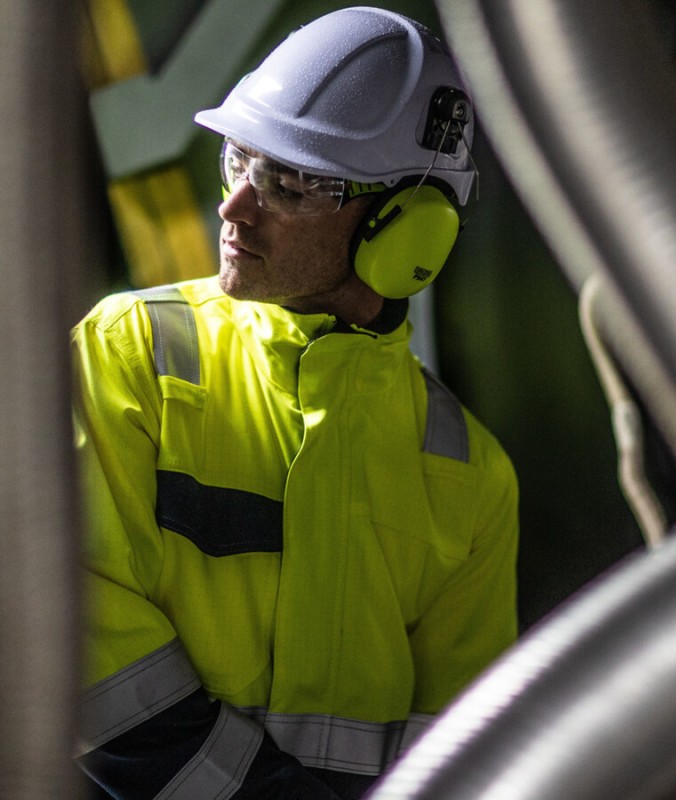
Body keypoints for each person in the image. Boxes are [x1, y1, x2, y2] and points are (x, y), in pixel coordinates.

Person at [72, 6, 519, 799]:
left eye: (291, 183)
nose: (235, 207)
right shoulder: (132, 355)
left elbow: (466, 760)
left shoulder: (469, 477)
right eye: (237, 161)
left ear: (406, 231)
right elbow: (71, 626)